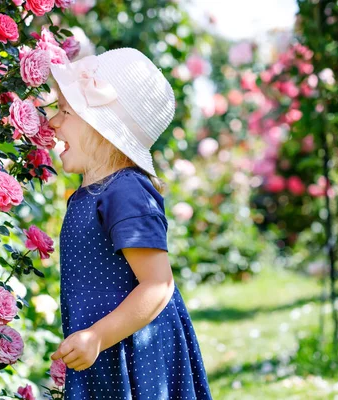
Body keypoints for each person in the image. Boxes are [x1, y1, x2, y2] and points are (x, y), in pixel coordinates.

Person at [48, 47, 212, 399]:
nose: (52, 122)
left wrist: (98, 336)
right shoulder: (88, 194)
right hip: (110, 352)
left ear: (102, 128)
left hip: (136, 354)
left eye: (65, 111)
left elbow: (158, 284)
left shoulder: (124, 190)